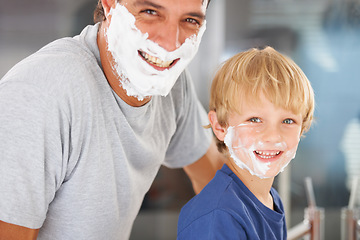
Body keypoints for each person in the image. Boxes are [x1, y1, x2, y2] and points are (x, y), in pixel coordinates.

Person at [0, 0, 224, 239]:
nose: (170, 43)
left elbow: (220, 187)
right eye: (150, 12)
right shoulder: (41, 94)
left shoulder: (172, 85)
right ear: (108, 4)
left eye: (190, 20)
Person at [177, 46, 315, 239]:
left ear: (302, 128)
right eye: (255, 119)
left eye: (288, 121)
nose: (273, 136)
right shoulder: (218, 216)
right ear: (220, 127)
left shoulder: (271, 199)